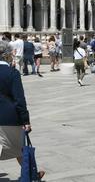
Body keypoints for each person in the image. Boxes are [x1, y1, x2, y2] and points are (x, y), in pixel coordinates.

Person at [0, 41, 45, 180]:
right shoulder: (12, 73)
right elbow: (19, 99)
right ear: (7, 55)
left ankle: (33, 173)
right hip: (9, 117)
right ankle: (32, 174)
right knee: (20, 148)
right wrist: (25, 120)